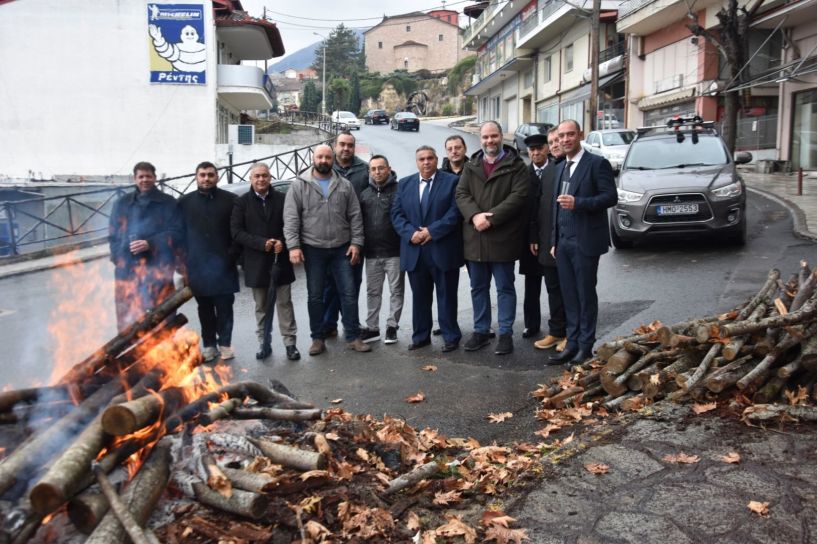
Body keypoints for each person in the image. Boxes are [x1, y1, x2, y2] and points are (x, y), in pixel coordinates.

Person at [284, 144, 371, 355]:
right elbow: (291, 218)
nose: (324, 160)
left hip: (342, 248)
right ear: (314, 158)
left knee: (349, 294)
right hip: (314, 249)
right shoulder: (299, 185)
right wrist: (293, 246)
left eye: (327, 157)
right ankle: (317, 338)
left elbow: (355, 217)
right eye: (320, 157)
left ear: (333, 160)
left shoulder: (344, 185)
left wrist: (356, 243)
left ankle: (352, 336)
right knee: (315, 296)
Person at [456, 121, 528, 356]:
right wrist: (475, 216)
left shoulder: (516, 165)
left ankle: (505, 333)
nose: (490, 141)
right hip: (475, 238)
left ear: (501, 137)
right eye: (486, 137)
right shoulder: (471, 165)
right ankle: (481, 331)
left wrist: (492, 218)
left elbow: (519, 197)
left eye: (494, 136)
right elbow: (461, 193)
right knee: (478, 288)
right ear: (480, 139)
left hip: (502, 237)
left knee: (505, 288)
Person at [548, 119, 617, 365]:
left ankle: (585, 346)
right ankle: (572, 342)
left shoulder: (596, 164)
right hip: (564, 242)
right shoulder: (560, 167)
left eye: (570, 135)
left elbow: (610, 197)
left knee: (585, 294)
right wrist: (554, 239)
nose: (565, 140)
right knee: (569, 295)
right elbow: (556, 209)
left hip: (586, 240)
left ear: (580, 135)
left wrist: (580, 203)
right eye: (561, 136)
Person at [391, 145, 463, 352]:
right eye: (421, 159)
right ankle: (421, 336)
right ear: (416, 162)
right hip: (415, 251)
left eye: (430, 158)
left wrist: (431, 231)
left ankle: (451, 336)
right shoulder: (404, 184)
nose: (426, 162)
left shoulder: (452, 182)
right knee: (420, 297)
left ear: (437, 160)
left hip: (442, 249)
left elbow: (454, 213)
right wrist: (411, 233)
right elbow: (396, 215)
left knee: (447, 296)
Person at [231, 163, 301, 361]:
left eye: (264, 175)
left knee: (284, 304)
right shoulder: (241, 202)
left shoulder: (283, 198)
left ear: (270, 177)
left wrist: (283, 242)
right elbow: (236, 232)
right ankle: (264, 343)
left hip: (281, 261)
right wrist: (262, 243)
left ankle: (290, 344)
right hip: (256, 262)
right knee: (261, 306)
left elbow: (293, 224)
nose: (261, 179)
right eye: (257, 176)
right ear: (251, 179)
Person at [177, 161, 240, 362]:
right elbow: (179, 236)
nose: (206, 178)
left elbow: (237, 233)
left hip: (224, 265)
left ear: (217, 177)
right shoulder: (184, 202)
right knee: (204, 309)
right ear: (196, 177)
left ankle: (225, 344)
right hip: (197, 266)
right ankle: (209, 345)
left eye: (210, 175)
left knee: (224, 308)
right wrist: (183, 263)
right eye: (202, 175)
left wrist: (231, 257)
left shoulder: (231, 200)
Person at [109, 161, 182, 331]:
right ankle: (130, 352)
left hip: (159, 268)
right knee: (128, 316)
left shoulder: (168, 202)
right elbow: (113, 235)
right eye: (140, 177)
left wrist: (151, 243)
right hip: (127, 269)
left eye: (148, 176)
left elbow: (178, 233)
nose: (145, 180)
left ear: (155, 178)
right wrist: (117, 257)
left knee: (163, 313)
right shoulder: (121, 203)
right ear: (135, 179)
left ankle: (166, 350)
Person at [322, 131, 369, 337]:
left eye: (350, 145)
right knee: (329, 284)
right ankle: (329, 323)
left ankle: (351, 324)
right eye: (342, 144)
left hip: (356, 237)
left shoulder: (364, 170)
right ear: (334, 145)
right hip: (328, 238)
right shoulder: (324, 168)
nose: (345, 148)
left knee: (352, 285)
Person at [525, 133, 568, 354]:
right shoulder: (550, 170)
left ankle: (572, 334)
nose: (555, 145)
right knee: (552, 288)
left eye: (557, 141)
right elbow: (538, 207)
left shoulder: (570, 166)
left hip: (567, 239)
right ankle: (557, 331)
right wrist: (535, 236)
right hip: (545, 240)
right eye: (552, 142)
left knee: (569, 289)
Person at [358, 155, 404, 344]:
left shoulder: (399, 190)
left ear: (388, 168)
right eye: (373, 169)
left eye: (381, 168)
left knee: (396, 291)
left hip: (395, 252)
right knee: (372, 292)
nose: (377, 172)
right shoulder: (364, 195)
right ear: (369, 171)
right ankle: (372, 328)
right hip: (371, 253)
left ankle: (392, 327)